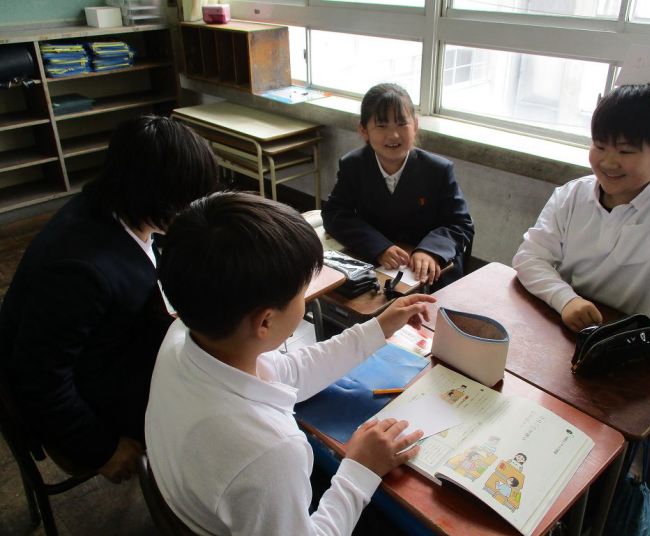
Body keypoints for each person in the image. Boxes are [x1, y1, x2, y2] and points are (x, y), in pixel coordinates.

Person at [146, 191, 435, 535]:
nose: (305, 299)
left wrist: (377, 328)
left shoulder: (183, 334)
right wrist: (361, 470)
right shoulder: (269, 452)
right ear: (265, 322)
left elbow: (288, 372)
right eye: (302, 292)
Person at [0, 115, 219, 482]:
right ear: (154, 195)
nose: (190, 211)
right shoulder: (80, 271)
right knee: (216, 409)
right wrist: (102, 449)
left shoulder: (106, 206)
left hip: (111, 352)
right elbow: (40, 382)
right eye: (185, 202)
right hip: (88, 404)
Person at [513, 73, 650, 335]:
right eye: (599, 146)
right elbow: (529, 257)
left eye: (625, 151)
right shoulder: (572, 195)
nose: (608, 162)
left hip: (648, 343)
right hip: (576, 331)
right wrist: (565, 299)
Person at [322, 83, 474, 288]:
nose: (393, 135)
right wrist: (378, 247)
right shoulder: (353, 165)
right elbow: (335, 214)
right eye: (382, 126)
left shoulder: (438, 169)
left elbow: (460, 223)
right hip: (378, 260)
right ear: (363, 130)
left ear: (415, 125)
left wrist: (430, 250)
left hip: (428, 267)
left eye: (402, 124)